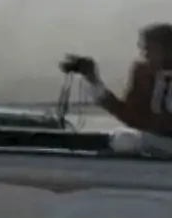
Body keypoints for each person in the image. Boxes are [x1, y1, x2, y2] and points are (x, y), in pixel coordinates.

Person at [61, 23, 172, 156]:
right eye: (144, 50)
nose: (145, 55)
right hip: (157, 141)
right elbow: (130, 115)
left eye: (150, 50)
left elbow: (160, 124)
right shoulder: (145, 74)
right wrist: (93, 79)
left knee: (129, 141)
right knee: (123, 140)